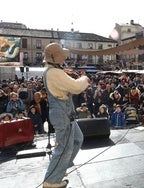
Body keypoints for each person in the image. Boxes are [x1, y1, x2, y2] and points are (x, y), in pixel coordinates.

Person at [42, 43, 90, 188]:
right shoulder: (53, 72)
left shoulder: (52, 70)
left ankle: (60, 169)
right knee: (63, 149)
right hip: (63, 115)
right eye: (62, 57)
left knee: (77, 139)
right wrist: (84, 79)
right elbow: (76, 87)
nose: (64, 59)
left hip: (65, 114)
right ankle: (51, 181)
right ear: (56, 58)